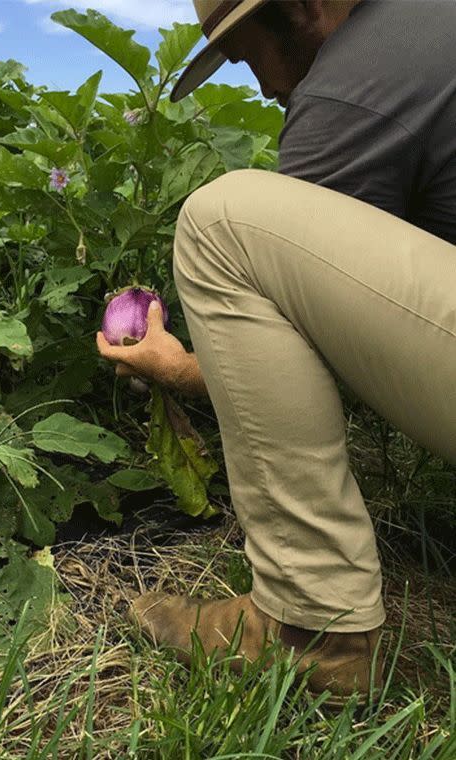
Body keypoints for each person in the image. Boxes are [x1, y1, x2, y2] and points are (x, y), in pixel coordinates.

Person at [96, 0, 456, 705]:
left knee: (221, 223)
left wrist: (177, 370)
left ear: (302, 9)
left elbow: (321, 347)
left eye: (246, 53)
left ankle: (311, 630)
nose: (262, 87)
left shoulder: (349, 88)